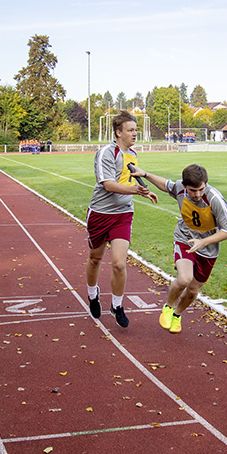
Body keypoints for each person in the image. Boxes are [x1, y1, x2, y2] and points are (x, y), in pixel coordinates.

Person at [128, 162, 227, 334]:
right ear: (185, 186)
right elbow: (166, 184)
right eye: (193, 191)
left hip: (207, 248)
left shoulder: (214, 199)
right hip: (185, 238)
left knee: (193, 291)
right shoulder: (180, 188)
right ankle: (169, 307)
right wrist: (146, 174)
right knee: (184, 279)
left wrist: (204, 242)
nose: (198, 194)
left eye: (201, 189)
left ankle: (177, 315)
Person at [86, 110, 157, 327]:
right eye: (131, 130)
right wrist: (135, 191)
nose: (135, 134)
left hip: (123, 214)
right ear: (118, 132)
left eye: (136, 130)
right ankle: (92, 293)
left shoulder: (133, 154)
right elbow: (108, 184)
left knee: (118, 263)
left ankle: (117, 305)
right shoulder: (106, 153)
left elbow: (130, 177)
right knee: (95, 258)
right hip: (100, 213)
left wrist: (145, 190)